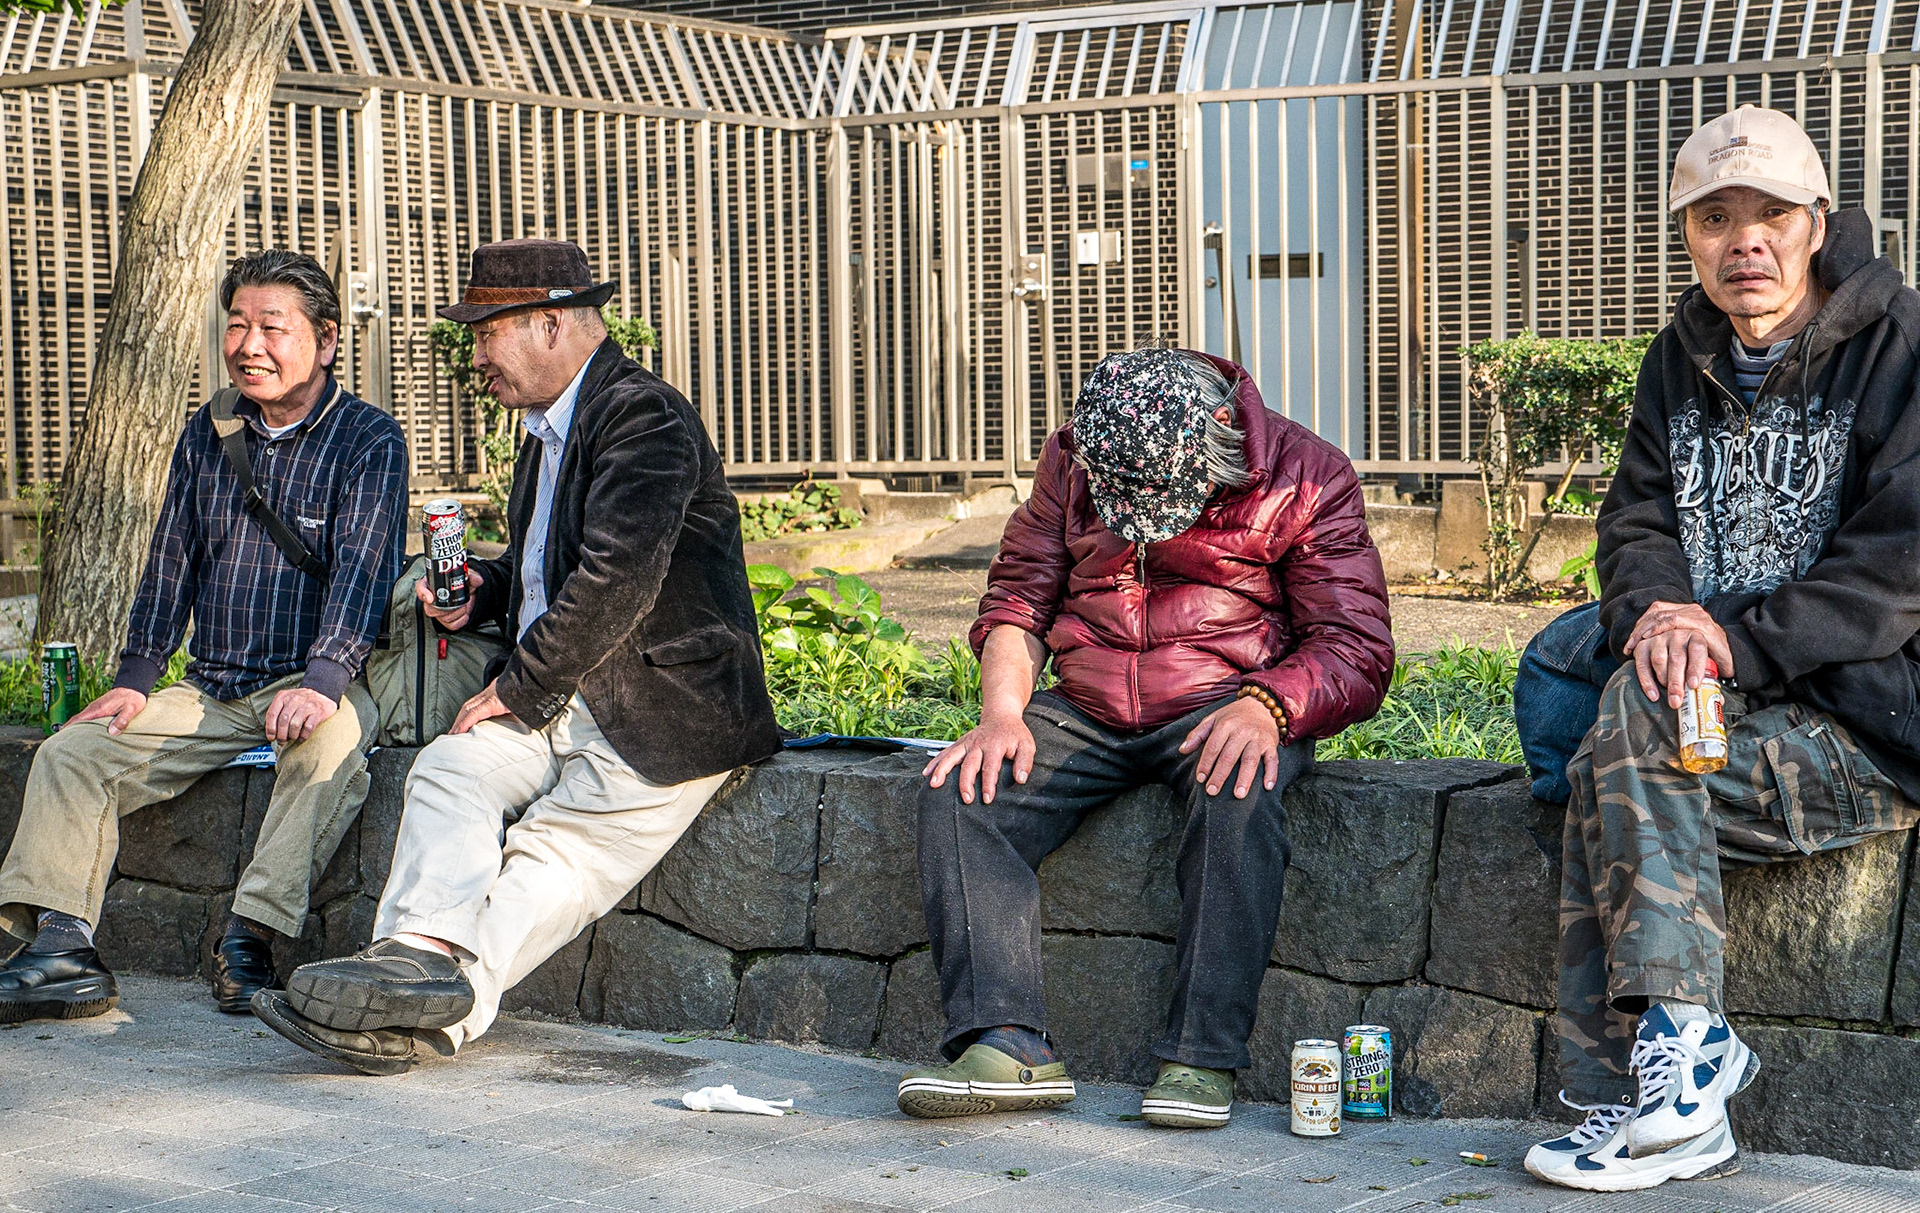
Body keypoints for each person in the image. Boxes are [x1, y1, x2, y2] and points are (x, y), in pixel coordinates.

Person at [251, 238, 784, 1074]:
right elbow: (551, 564)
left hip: (662, 710)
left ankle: (419, 1023)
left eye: (483, 333)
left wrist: (520, 686)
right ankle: (411, 960)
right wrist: (485, 592)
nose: (474, 358)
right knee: (449, 769)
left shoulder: (645, 417)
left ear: (548, 323)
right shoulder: (545, 429)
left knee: (551, 857)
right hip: (564, 690)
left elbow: (617, 575)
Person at [1525, 106, 1920, 1192]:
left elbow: (1896, 574)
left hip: (1869, 722)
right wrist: (1659, 614)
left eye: (1771, 216)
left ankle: (1659, 1085)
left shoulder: (1903, 348)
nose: (1745, 241)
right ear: (1687, 235)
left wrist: (1721, 641)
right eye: (1714, 218)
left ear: (1818, 222)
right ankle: (1664, 1090)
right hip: (1726, 699)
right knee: (1626, 715)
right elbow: (1636, 523)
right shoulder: (1682, 354)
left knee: (1622, 737)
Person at [898, 346, 1394, 1129]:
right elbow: (1020, 597)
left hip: (1229, 697)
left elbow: (1355, 645)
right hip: (1086, 701)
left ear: (1222, 442)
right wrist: (1000, 715)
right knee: (964, 791)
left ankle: (1200, 1059)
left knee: (1241, 794)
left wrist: (1271, 704)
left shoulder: (1307, 475)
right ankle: (1007, 1042)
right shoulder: (1076, 453)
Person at [0, 250, 408, 1019]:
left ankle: (248, 936)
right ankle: (61, 946)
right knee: (71, 752)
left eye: (271, 327)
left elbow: (362, 570)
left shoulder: (370, 440)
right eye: (237, 325)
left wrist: (323, 681)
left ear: (324, 339)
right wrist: (136, 673)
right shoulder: (212, 428)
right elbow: (171, 556)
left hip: (318, 678)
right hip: (214, 684)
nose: (249, 344)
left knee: (329, 751)